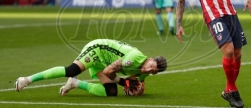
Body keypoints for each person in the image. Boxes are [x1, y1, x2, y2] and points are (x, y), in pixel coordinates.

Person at [15, 39, 167, 97]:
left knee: (111, 92)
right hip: (98, 50)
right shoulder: (133, 59)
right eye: (150, 66)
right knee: (72, 70)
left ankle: (74, 84)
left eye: (153, 71)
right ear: (149, 59)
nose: (148, 70)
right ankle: (26, 80)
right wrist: (123, 83)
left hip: (104, 63)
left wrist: (137, 89)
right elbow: (109, 72)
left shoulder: (144, 72)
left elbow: (138, 83)